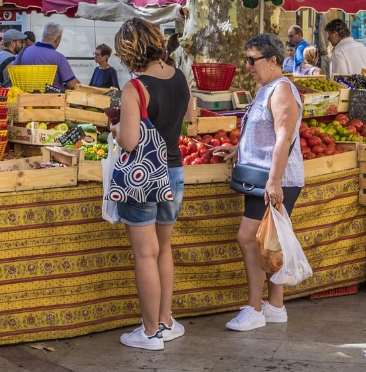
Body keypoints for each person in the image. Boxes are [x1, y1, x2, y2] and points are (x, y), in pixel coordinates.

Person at [213, 34, 306, 329]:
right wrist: (238, 149)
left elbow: (282, 139)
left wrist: (275, 181)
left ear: (273, 60)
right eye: (247, 59)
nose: (248, 65)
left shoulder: (281, 91)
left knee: (247, 237)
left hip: (273, 178)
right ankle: (276, 306)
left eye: (253, 60)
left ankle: (254, 309)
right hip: (264, 176)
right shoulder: (266, 89)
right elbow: (263, 136)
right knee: (270, 241)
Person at [111, 18, 192, 350]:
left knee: (145, 254)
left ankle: (148, 333)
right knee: (164, 249)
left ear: (130, 51)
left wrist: (114, 126)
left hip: (144, 178)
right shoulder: (180, 77)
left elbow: (129, 141)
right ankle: (166, 321)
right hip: (174, 171)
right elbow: (186, 120)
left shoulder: (135, 88)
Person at [7, 23, 80, 90]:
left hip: (25, 98)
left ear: (43, 36)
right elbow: (73, 85)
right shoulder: (59, 58)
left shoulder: (23, 52)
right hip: (51, 100)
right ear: (57, 40)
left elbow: (11, 76)